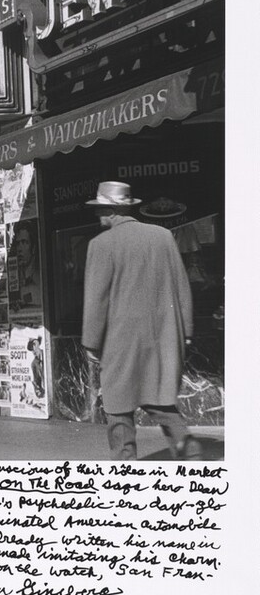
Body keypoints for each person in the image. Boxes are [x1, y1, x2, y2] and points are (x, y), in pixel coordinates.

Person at [81, 181, 201, 461]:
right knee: (159, 399)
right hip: (162, 337)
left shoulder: (100, 244)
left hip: (120, 341)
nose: (98, 215)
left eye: (100, 209)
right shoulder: (163, 236)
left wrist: (91, 341)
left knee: (118, 406)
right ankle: (191, 455)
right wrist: (186, 329)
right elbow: (182, 284)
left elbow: (96, 299)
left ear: (111, 210)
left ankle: (125, 470)